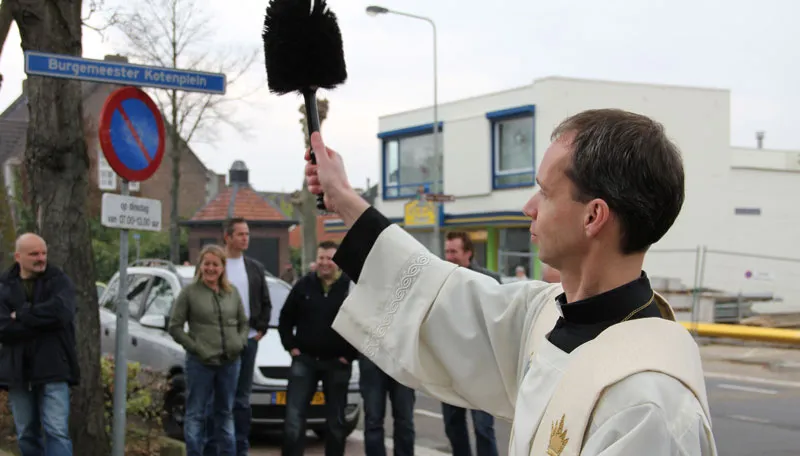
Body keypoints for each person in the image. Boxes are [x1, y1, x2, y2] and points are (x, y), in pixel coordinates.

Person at [302, 108, 717, 455]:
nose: (528, 207)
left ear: (593, 216)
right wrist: (343, 197)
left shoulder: (651, 403)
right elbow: (439, 293)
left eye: (545, 192)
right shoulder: (544, 314)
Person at [0, 233, 79, 456]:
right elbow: (3, 328)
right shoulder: (4, 285)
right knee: (26, 432)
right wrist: (43, 322)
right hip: (18, 372)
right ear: (18, 256)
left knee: (56, 430)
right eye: (34, 254)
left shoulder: (59, 281)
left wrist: (22, 315)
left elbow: (62, 313)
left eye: (44, 253)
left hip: (54, 368)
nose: (41, 258)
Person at [278, 241, 359, 456]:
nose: (324, 263)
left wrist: (349, 355)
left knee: (336, 421)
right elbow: (285, 318)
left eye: (329, 258)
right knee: (294, 418)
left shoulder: (350, 288)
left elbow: (361, 324)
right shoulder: (303, 285)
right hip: (305, 361)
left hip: (337, 364)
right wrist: (291, 347)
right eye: (321, 258)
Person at [168, 244, 249, 456]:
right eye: (207, 264)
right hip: (200, 363)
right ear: (200, 266)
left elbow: (243, 322)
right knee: (196, 413)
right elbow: (175, 327)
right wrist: (196, 348)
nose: (211, 268)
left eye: (215, 264)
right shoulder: (189, 293)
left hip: (230, 363)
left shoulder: (232, 292)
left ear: (223, 267)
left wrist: (240, 343)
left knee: (225, 413)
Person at [204, 218, 272, 456]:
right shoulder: (214, 265)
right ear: (228, 237)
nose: (246, 238)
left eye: (247, 234)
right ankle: (213, 448)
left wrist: (259, 331)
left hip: (248, 340)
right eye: (241, 234)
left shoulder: (254, 268)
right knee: (218, 398)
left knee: (242, 399)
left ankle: (240, 448)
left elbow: (265, 301)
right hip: (219, 342)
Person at [440, 231, 499, 456]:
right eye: (447, 251)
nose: (449, 256)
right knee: (453, 425)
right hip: (450, 369)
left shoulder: (488, 280)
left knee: (483, 428)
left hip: (481, 368)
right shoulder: (440, 281)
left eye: (454, 251)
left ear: (468, 253)